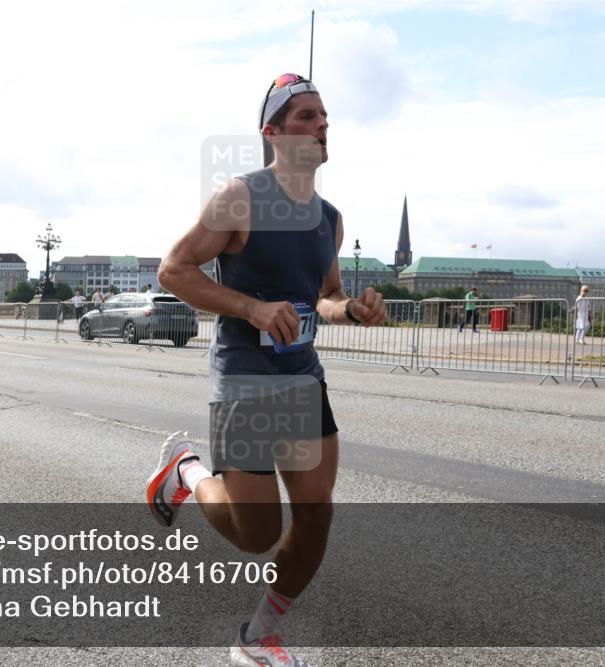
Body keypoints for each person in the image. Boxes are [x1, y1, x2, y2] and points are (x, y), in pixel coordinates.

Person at [147, 72, 385, 666]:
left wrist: (351, 309)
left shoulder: (329, 218)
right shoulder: (241, 197)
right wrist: (251, 307)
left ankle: (258, 638)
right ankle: (186, 472)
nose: (321, 124)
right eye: (306, 115)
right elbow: (173, 270)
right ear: (272, 133)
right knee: (255, 534)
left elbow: (326, 295)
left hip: (302, 377)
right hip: (245, 376)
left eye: (325, 115)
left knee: (316, 513)